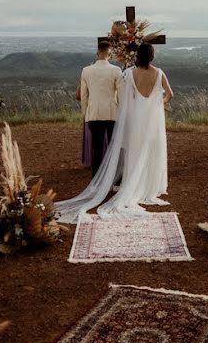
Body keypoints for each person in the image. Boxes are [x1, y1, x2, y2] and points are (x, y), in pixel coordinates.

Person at [56, 42, 173, 223]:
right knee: (150, 148)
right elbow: (168, 94)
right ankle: (147, 185)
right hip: (147, 118)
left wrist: (89, 112)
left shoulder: (126, 73)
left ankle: (115, 181)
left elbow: (121, 97)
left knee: (126, 148)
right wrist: (158, 103)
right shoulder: (154, 73)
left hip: (122, 117)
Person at [76, 41, 123, 176]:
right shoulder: (116, 70)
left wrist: (86, 115)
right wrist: (122, 114)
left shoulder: (86, 70)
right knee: (114, 147)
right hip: (112, 113)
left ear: (97, 53)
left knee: (97, 148)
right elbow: (122, 97)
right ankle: (115, 178)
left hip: (94, 113)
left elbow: (84, 97)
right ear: (110, 54)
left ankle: (96, 180)